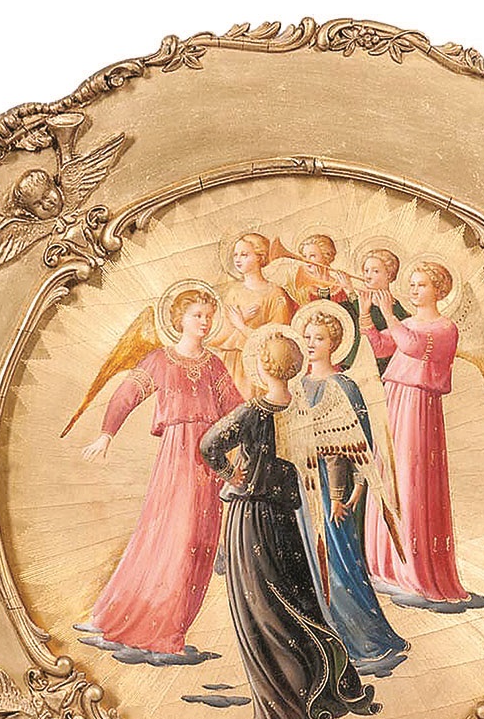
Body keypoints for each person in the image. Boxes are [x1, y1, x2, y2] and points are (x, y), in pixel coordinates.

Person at [200, 328, 380, 719]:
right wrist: (339, 495)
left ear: (262, 368)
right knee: (299, 605)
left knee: (261, 614)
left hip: (250, 518)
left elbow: (209, 445)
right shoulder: (304, 413)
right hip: (285, 519)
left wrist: (231, 474)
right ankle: (326, 692)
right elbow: (335, 456)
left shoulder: (251, 412)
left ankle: (284, 711)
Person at [79, 288, 242, 652]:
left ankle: (172, 626)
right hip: (176, 456)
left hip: (209, 460)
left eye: (208, 316)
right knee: (169, 537)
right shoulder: (160, 360)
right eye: (197, 315)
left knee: (197, 540)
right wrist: (107, 433)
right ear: (179, 319)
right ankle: (130, 619)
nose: (205, 322)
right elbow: (126, 395)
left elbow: (235, 407)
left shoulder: (214, 365)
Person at [361, 261, 484, 611]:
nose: (415, 290)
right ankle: (387, 567)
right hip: (395, 401)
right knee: (390, 476)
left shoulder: (445, 328)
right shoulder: (407, 324)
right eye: (413, 284)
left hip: (418, 406)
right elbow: (381, 347)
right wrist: (366, 313)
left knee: (412, 480)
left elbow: (413, 346)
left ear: (438, 290)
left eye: (421, 285)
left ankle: (417, 575)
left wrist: (388, 313)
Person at [294, 305, 409, 663]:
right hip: (303, 486)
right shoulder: (299, 385)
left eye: (319, 338)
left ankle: (363, 640)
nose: (311, 344)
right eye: (307, 337)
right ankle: (325, 643)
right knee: (308, 562)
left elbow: (362, 444)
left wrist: (355, 492)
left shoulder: (344, 386)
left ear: (334, 343)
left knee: (340, 563)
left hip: (335, 492)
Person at [212, 233, 296, 399]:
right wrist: (241, 319)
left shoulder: (276, 294)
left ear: (260, 257)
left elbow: (277, 341)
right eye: (236, 255)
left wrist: (241, 326)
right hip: (231, 365)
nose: (238, 260)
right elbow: (217, 334)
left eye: (244, 255)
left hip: (260, 367)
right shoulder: (233, 292)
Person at [340, 248, 410, 372]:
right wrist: (349, 290)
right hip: (355, 362)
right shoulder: (365, 298)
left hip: (381, 366)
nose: (368, 275)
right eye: (366, 271)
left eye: (375, 271)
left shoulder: (395, 308)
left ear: (389, 274)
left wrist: (350, 292)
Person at [290, 233, 350, 305]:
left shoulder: (338, 287)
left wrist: (349, 290)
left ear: (326, 257)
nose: (306, 260)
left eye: (312, 256)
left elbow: (349, 311)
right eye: (304, 256)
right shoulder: (303, 289)